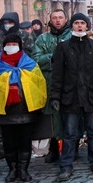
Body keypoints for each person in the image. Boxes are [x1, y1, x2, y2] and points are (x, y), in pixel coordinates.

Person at [50, 13, 93, 181]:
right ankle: (66, 165)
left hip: (91, 96)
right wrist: (55, 96)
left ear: (87, 26)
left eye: (82, 23)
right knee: (69, 133)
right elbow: (57, 74)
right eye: (76, 23)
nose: (79, 26)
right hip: (71, 96)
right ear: (72, 26)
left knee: (92, 131)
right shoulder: (63, 47)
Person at [0, 34, 46, 182]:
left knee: (25, 141)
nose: (11, 46)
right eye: (8, 44)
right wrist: (5, 83)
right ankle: (12, 170)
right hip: (5, 111)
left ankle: (23, 170)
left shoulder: (30, 64)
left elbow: (39, 83)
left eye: (14, 44)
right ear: (3, 46)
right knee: (9, 142)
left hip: (25, 109)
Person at [31, 9, 72, 163]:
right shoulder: (43, 39)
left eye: (60, 17)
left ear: (65, 19)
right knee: (53, 117)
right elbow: (36, 58)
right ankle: (53, 148)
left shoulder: (71, 36)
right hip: (49, 82)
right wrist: (54, 57)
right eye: (54, 18)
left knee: (70, 115)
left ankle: (71, 147)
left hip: (69, 82)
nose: (57, 20)